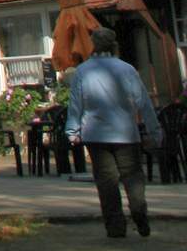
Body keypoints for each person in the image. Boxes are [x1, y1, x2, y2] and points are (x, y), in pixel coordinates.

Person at [65, 26, 163, 238]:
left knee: (106, 181)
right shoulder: (127, 69)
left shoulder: (83, 71)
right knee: (132, 177)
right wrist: (155, 131)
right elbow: (143, 102)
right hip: (126, 133)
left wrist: (72, 130)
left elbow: (76, 104)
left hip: (95, 133)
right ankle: (139, 213)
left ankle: (115, 226)